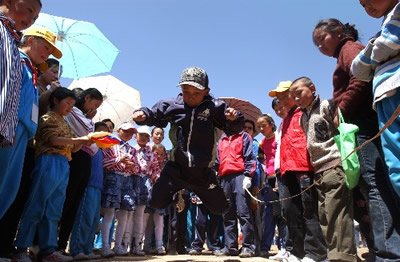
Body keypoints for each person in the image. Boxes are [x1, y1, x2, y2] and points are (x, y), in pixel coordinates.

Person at [313, 18, 400, 260]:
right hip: (362, 122)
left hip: (361, 124)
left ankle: (389, 253)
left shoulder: (349, 49)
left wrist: (342, 110)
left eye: (322, 39)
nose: (320, 46)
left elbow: (361, 78)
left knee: (374, 185)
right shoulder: (345, 52)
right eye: (316, 44)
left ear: (338, 31)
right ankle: (381, 249)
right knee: (373, 184)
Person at [132, 66, 243, 215]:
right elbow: (154, 114)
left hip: (202, 171)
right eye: (186, 92)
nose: (191, 97)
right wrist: (143, 114)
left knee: (220, 208)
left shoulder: (215, 107)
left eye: (197, 93)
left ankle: (215, 195)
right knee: (155, 202)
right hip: (177, 168)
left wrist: (234, 119)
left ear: (206, 91)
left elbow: (232, 129)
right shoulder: (173, 105)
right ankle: (176, 197)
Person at [13, 88, 91, 262]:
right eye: (67, 103)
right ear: (55, 100)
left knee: (54, 209)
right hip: (48, 161)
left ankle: (48, 250)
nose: (70, 107)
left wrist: (86, 140)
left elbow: (74, 147)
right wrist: (78, 140)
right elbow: (54, 140)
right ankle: (21, 248)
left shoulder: (65, 122)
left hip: (64, 164)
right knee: (37, 204)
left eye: (72, 104)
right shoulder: (47, 118)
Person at [289, 76, 357, 262]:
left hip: (334, 165)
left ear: (312, 88)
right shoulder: (303, 117)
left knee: (338, 212)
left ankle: (343, 256)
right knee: (324, 215)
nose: (297, 99)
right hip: (318, 170)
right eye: (293, 97)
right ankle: (333, 253)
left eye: (299, 93)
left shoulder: (327, 105)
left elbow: (341, 130)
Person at [0, 26, 62, 219]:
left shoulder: (30, 70)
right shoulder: (14, 59)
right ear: (30, 41)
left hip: (24, 135)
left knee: (8, 190)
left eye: (50, 51)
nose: (47, 54)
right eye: (45, 47)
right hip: (9, 129)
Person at [268, 81, 327, 262]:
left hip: (304, 168)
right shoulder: (285, 120)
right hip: (285, 171)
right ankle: (298, 252)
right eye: (279, 99)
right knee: (290, 212)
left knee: (309, 209)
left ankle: (316, 252)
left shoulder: (304, 113)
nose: (283, 101)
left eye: (286, 96)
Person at [351, 0, 400, 200]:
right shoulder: (386, 23)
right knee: (395, 165)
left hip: (396, 89)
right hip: (385, 98)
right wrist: (376, 50)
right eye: (363, 5)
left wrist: (371, 50)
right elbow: (358, 71)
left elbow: (387, 44)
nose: (368, 6)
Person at [58, 88, 103, 254]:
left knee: (74, 205)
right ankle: (52, 244)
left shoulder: (82, 114)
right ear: (87, 97)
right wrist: (90, 120)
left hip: (85, 161)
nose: (94, 109)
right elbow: (87, 131)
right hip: (74, 158)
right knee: (67, 200)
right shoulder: (75, 111)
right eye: (94, 104)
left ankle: (61, 246)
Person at [0, 0, 41, 148]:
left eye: (35, 18)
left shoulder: (11, 41)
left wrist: (7, 129)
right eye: (30, 10)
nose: (31, 20)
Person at [213, 129, 257, 258]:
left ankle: (248, 246)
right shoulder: (221, 140)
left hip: (240, 175)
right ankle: (230, 246)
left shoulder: (244, 136)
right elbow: (218, 160)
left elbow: (250, 157)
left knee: (244, 212)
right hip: (224, 177)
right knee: (227, 213)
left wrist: (248, 176)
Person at [69, 121, 109, 261]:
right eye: (101, 131)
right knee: (83, 217)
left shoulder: (102, 150)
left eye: (107, 132)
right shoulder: (89, 146)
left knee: (93, 221)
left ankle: (87, 248)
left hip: (98, 186)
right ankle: (77, 248)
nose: (104, 134)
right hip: (88, 185)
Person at [100, 122, 139, 257]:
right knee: (110, 212)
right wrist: (119, 160)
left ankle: (118, 245)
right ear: (119, 130)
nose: (128, 134)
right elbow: (104, 162)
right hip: (113, 178)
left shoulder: (132, 149)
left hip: (127, 180)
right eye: (126, 131)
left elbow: (136, 169)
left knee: (125, 213)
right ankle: (105, 246)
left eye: (131, 132)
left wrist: (132, 166)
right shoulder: (110, 143)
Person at [122, 126, 160, 256]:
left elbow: (156, 169)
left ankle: (137, 245)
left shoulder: (151, 153)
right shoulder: (131, 150)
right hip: (131, 181)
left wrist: (155, 179)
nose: (143, 138)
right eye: (141, 135)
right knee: (129, 214)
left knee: (140, 215)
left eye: (146, 136)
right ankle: (125, 244)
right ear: (136, 136)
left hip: (145, 183)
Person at [142, 143, 168, 255]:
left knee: (159, 221)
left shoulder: (166, 167)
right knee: (146, 221)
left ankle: (159, 245)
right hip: (149, 192)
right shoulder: (148, 163)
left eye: (161, 154)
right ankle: (145, 245)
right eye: (157, 153)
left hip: (160, 195)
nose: (159, 156)